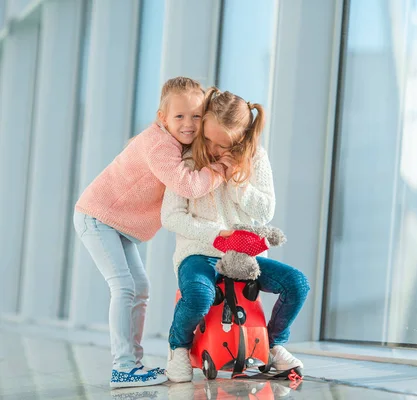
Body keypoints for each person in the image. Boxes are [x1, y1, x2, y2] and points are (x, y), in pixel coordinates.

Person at [73, 77, 225, 388]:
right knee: (124, 287)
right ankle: (123, 368)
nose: (189, 124)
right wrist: (222, 168)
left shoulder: (173, 144)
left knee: (140, 287)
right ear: (162, 118)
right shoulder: (159, 145)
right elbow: (186, 185)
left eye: (196, 116)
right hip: (96, 217)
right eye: (179, 117)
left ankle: (134, 364)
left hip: (114, 223)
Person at [161, 88, 310, 382]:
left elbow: (266, 210)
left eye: (224, 144)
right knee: (199, 294)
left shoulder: (256, 158)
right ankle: (178, 347)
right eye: (209, 140)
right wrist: (217, 234)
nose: (215, 150)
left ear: (241, 138)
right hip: (199, 252)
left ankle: (274, 344)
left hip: (243, 256)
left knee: (297, 284)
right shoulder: (186, 159)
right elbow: (171, 216)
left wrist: (236, 182)